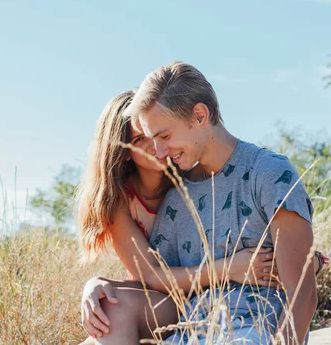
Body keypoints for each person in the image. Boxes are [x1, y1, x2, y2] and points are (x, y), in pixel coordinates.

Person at [120, 61, 318, 344]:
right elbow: (157, 284)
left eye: (165, 136)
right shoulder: (177, 197)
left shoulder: (270, 174)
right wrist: (101, 286)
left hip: (253, 333)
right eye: (152, 139)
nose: (159, 152)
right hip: (188, 334)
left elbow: (303, 293)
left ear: (200, 115)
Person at [77, 90, 288, 344]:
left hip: (215, 296)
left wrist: (299, 254)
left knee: (109, 319)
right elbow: (152, 278)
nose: (156, 146)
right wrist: (96, 283)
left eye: (159, 133)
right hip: (167, 299)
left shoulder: (192, 172)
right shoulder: (118, 202)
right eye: (140, 138)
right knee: (107, 314)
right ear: (122, 151)